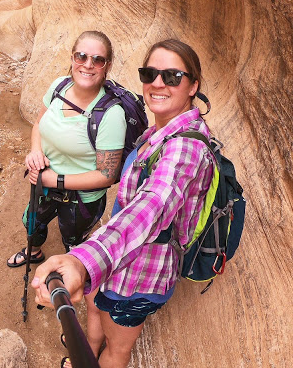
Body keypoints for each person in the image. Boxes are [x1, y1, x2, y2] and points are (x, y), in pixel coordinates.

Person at [32, 39, 216, 368]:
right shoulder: (158, 132)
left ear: (193, 85)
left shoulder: (184, 148)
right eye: (150, 73)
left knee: (117, 349)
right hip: (118, 255)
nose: (158, 83)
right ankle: (86, 349)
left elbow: (153, 205)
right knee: (93, 302)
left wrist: (82, 262)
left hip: (141, 275)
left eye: (173, 76)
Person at [7, 31, 127, 351]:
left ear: (107, 66)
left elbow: (106, 175)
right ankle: (34, 251)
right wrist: (35, 152)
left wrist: (54, 180)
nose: (88, 64)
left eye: (97, 59)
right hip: (44, 184)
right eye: (81, 57)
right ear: (72, 59)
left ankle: (69, 297)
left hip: (80, 199)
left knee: (75, 245)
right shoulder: (58, 87)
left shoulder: (110, 115)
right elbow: (39, 125)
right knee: (32, 222)